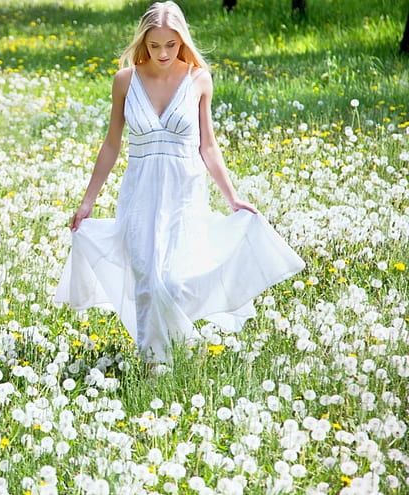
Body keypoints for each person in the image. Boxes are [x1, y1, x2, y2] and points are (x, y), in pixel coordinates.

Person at [54, 1, 305, 363]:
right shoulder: (125, 80)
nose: (162, 53)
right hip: (140, 192)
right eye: (154, 45)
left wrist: (232, 197)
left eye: (170, 45)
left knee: (172, 281)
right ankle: (154, 362)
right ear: (143, 42)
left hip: (183, 191)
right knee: (146, 281)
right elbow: (111, 144)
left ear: (182, 41)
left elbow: (208, 145)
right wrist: (87, 202)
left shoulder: (199, 78)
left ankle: (178, 349)